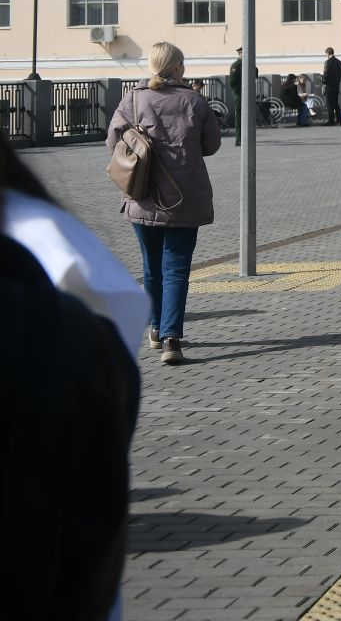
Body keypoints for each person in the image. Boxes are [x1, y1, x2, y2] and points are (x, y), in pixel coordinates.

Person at [3, 138, 143, 621]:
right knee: (171, 266)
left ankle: (170, 328)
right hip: (177, 197)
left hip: (141, 197)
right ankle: (171, 329)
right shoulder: (56, 255)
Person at [106, 41, 223, 366]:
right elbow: (212, 144)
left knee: (151, 267)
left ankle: (156, 329)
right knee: (176, 270)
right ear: (176, 68)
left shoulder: (133, 99)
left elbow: (113, 140)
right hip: (185, 198)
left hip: (143, 195)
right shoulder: (195, 101)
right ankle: (173, 338)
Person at [323, 47, 341, 125]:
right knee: (336, 103)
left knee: (329, 104)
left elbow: (325, 74)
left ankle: (331, 121)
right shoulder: (339, 62)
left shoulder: (327, 62)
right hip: (336, 85)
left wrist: (324, 82)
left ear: (327, 53)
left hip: (329, 86)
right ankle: (339, 120)